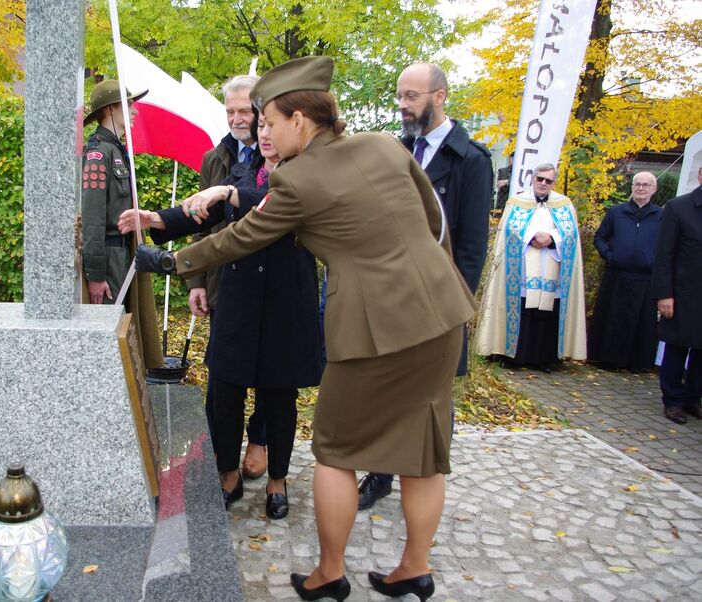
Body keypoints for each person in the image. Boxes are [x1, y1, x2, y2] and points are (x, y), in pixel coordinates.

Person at [132, 55, 475, 602]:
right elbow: (434, 220)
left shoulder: (296, 179)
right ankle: (415, 567)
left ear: (299, 119)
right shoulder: (385, 145)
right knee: (424, 450)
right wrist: (437, 280)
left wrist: (173, 262)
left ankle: (329, 575)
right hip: (442, 310)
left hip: (373, 325)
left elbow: (243, 237)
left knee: (337, 451)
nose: (264, 131)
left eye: (270, 120)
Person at [118, 114, 322, 519]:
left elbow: (264, 203)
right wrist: (157, 219)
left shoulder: (305, 174)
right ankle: (228, 474)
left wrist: (227, 193)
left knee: (279, 396)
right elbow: (205, 211)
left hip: (285, 303)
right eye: (261, 127)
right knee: (225, 391)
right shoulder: (244, 171)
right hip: (238, 299)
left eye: (272, 126)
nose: (265, 134)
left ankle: (277, 481)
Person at [357, 62, 493, 512]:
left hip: (437, 304)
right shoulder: (396, 151)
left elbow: (471, 248)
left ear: (439, 96)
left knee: (431, 401)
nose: (402, 104)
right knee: (384, 391)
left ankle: (424, 484)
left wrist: (453, 309)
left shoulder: (470, 161)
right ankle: (380, 476)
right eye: (399, 96)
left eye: (411, 96)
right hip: (389, 297)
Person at [191, 75, 269, 480]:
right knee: (223, 374)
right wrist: (196, 281)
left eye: (244, 111)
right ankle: (222, 454)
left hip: (269, 281)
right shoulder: (214, 157)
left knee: (270, 373)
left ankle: (260, 439)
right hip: (224, 280)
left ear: (260, 110)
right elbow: (201, 224)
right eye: (230, 111)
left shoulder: (279, 154)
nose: (237, 119)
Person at [81, 79, 162, 368]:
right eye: (128, 105)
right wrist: (95, 274)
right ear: (111, 109)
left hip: (123, 253)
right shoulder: (98, 154)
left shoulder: (116, 150)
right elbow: (92, 218)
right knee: (108, 332)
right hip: (109, 256)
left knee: (124, 327)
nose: (135, 111)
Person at [476, 163, 587, 370]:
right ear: (533, 179)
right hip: (522, 268)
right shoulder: (517, 202)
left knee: (546, 312)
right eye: (539, 179)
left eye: (548, 180)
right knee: (523, 308)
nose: (543, 183)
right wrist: (532, 236)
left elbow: (570, 233)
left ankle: (544, 359)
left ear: (553, 183)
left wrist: (551, 238)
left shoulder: (564, 204)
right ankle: (515, 356)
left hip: (552, 266)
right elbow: (509, 230)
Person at [588, 172, 662, 371]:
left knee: (641, 323)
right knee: (612, 319)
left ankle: (637, 363)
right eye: (637, 184)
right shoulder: (616, 212)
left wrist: (655, 261)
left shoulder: (661, 216)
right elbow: (599, 237)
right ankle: (607, 359)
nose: (641, 188)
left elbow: (667, 245)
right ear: (632, 187)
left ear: (654, 189)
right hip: (616, 276)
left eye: (646, 185)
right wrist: (609, 256)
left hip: (645, 278)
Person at [651, 166, 702, 424]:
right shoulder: (678, 207)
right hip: (682, 294)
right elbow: (664, 255)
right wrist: (664, 294)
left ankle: (693, 398)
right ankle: (672, 400)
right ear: (700, 176)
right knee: (677, 348)